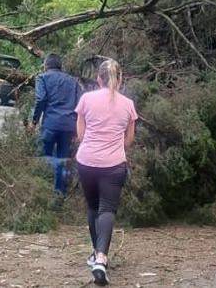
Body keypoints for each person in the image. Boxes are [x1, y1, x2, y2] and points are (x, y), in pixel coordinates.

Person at [73, 59, 137, 286]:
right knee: (107, 209)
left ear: (98, 79)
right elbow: (129, 140)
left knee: (92, 207)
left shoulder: (86, 99)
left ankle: (95, 254)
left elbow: (80, 134)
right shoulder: (128, 104)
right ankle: (101, 257)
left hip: (87, 162)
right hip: (114, 165)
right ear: (120, 79)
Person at [29, 53, 81, 202]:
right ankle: (59, 197)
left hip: (50, 125)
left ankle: (41, 194)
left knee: (44, 159)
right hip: (68, 126)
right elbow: (79, 105)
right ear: (60, 66)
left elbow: (41, 99)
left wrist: (34, 121)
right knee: (63, 160)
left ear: (46, 65)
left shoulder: (42, 78)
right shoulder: (73, 81)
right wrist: (77, 128)